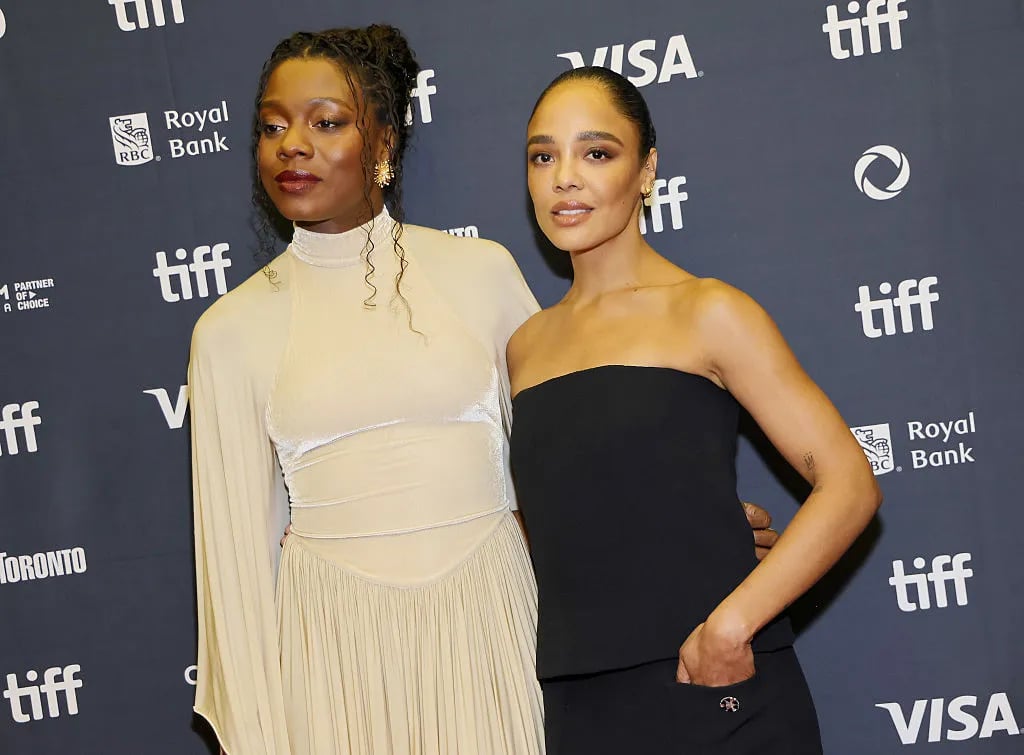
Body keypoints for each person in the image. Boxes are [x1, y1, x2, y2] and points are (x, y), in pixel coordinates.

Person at [189, 26, 781, 755]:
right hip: (336, 655)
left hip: (495, 628)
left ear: (383, 145)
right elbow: (237, 570)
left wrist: (682, 532)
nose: (293, 146)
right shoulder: (229, 331)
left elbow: (569, 451)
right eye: (273, 127)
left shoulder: (480, 272)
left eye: (327, 122)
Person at [507, 66, 882, 755]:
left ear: (646, 170)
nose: (564, 176)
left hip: (717, 689)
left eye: (596, 152)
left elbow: (850, 483)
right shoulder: (525, 347)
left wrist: (732, 625)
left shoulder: (708, 311)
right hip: (581, 704)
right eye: (542, 155)